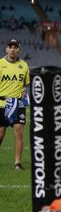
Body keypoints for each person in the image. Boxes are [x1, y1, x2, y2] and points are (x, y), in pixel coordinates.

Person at [0, 39, 30, 170]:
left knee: (19, 132)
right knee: (0, 133)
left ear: (19, 50)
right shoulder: (0, 64)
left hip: (18, 104)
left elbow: (26, 83)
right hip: (2, 103)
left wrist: (24, 91)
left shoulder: (24, 65)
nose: (13, 49)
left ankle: (17, 162)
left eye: (15, 47)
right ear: (6, 49)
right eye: (10, 47)